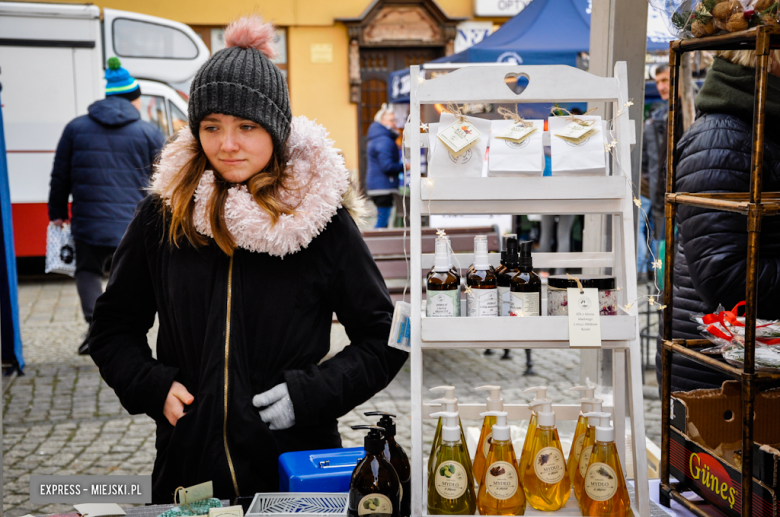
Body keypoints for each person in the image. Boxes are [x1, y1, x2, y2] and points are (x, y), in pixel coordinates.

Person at [88, 16, 407, 503]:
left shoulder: (319, 219)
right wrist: (152, 386)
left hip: (294, 469)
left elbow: (384, 336)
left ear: (275, 131)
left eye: (246, 126)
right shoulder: (165, 213)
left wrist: (310, 395)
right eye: (211, 127)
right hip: (187, 467)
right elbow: (112, 328)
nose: (227, 143)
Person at [656, 49, 780, 393]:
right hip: (722, 370)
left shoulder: (760, 126)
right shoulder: (723, 135)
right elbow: (724, 277)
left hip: (751, 359)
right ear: (770, 58)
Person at [48, 57, 165, 355]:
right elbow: (165, 180)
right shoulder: (149, 132)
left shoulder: (75, 128)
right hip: (132, 223)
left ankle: (94, 324)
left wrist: (58, 214)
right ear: (133, 99)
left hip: (88, 222)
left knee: (87, 271)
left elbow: (60, 176)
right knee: (124, 274)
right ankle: (114, 329)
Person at [642, 64, 670, 278]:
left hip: (687, 196)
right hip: (659, 196)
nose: (661, 86)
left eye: (666, 80)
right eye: (658, 81)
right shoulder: (653, 122)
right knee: (660, 244)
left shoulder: (693, 113)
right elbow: (644, 161)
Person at [366, 104, 405, 228]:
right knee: (382, 223)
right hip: (383, 188)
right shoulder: (384, 140)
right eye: (392, 120)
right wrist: (405, 167)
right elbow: (387, 166)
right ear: (382, 121)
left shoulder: (378, 138)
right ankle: (375, 246)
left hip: (379, 186)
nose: (395, 123)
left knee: (383, 221)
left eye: (395, 120)